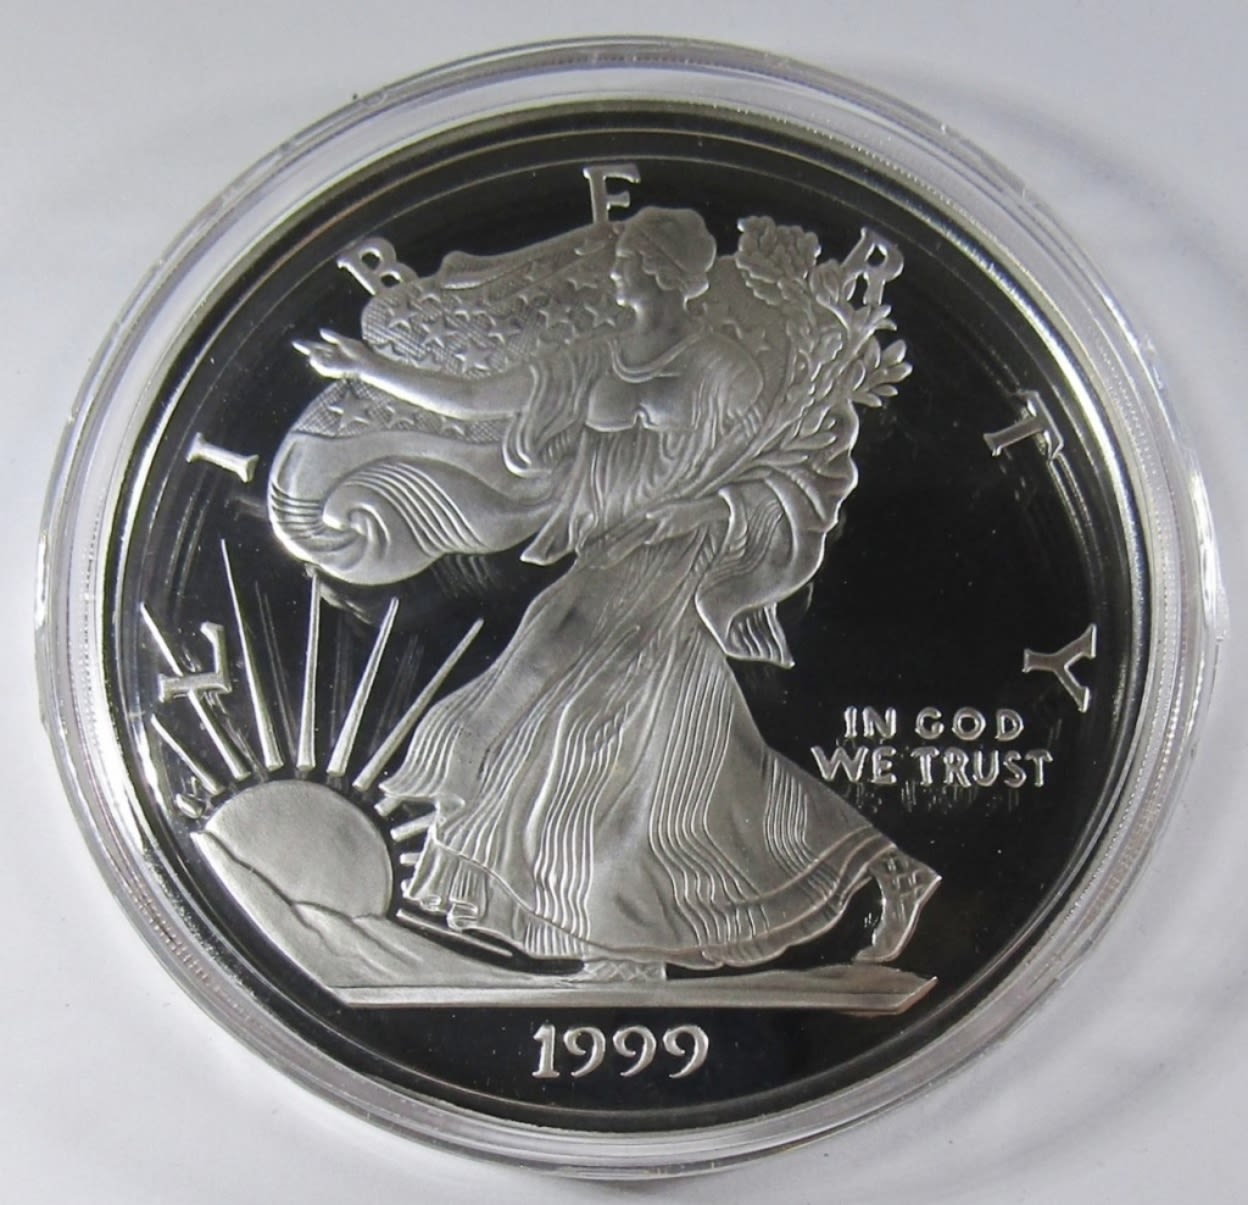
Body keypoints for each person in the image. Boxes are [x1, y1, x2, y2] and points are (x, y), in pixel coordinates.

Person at [275, 206, 938, 980]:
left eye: (627, 261)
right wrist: (369, 368)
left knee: (594, 725)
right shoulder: (598, 355)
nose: (614, 273)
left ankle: (618, 941)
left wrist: (707, 510)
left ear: (660, 270)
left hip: (677, 558)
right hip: (614, 547)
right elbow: (483, 396)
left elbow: (772, 473)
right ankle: (866, 870)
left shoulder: (723, 368)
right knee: (682, 751)